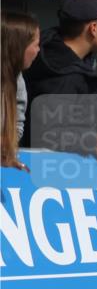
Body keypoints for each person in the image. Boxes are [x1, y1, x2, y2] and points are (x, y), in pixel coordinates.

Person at [23, 0, 97, 167]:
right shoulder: (64, 75)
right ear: (93, 28)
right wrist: (93, 141)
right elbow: (49, 133)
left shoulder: (51, 54)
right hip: (50, 177)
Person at [2, 11, 40, 170]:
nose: (38, 50)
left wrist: (6, 149)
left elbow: (16, 126)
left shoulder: (17, 81)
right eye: (36, 44)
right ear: (19, 46)